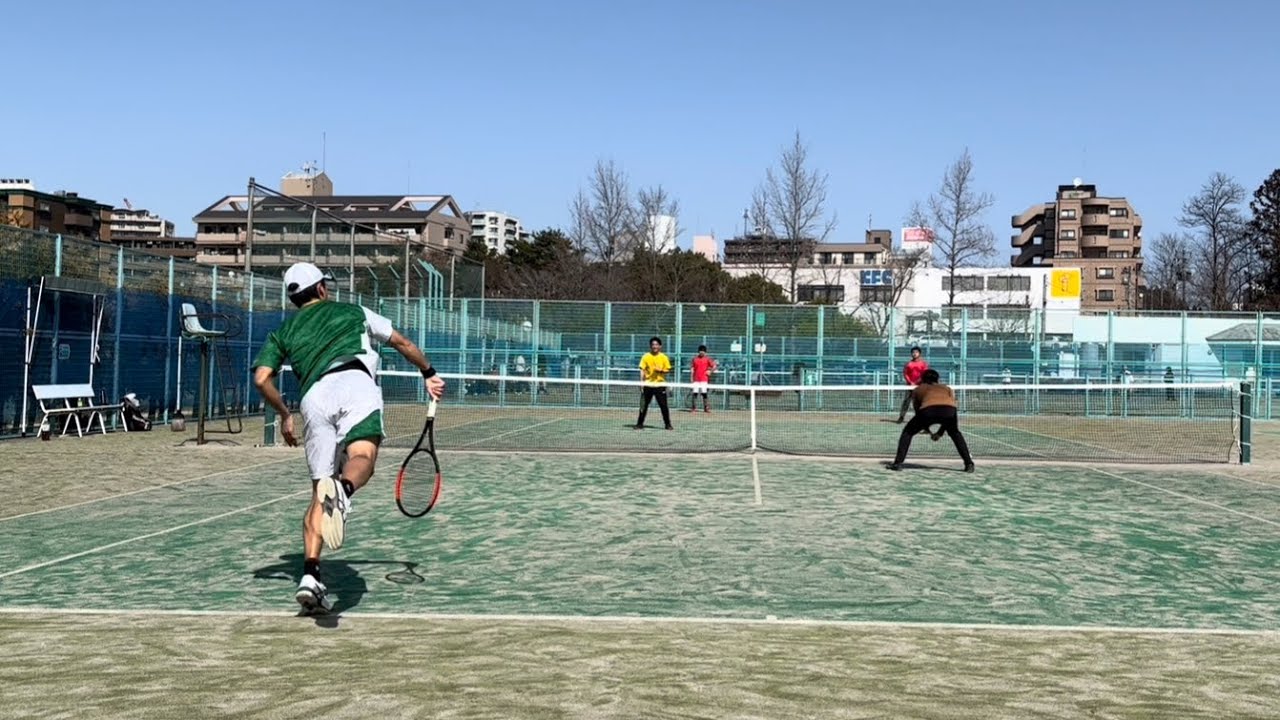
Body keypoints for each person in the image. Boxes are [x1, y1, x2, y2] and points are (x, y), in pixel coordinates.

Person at [252, 262, 445, 614]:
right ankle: (345, 490)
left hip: (314, 398)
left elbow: (262, 378)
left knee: (319, 494)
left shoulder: (283, 330)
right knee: (362, 457)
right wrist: (428, 372)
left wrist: (284, 415)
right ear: (322, 289)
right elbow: (401, 342)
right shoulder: (353, 311)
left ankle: (310, 575)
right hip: (355, 383)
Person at [889, 369, 974, 473]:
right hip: (950, 411)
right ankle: (969, 464)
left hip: (928, 411)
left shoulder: (918, 389)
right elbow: (950, 408)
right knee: (955, 433)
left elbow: (918, 411)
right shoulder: (947, 388)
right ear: (937, 379)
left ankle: (897, 463)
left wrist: (926, 427)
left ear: (923, 379)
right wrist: (939, 433)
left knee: (907, 433)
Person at [634, 336, 673, 430]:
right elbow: (642, 370)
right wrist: (641, 383)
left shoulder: (664, 357)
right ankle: (639, 424)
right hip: (648, 385)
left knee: (663, 406)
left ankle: (668, 424)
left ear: (660, 346)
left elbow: (668, 370)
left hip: (660, 385)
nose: (654, 346)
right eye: (653, 345)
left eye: (656, 344)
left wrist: (661, 370)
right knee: (643, 405)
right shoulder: (646, 357)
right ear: (650, 346)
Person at [895, 346, 928, 423]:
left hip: (920, 386)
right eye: (913, 352)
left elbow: (924, 374)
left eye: (916, 352)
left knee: (919, 402)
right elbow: (905, 374)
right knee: (906, 401)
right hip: (909, 386)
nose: (914, 354)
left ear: (919, 353)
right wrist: (910, 382)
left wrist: (917, 382)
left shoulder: (923, 364)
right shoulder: (908, 364)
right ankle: (901, 417)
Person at [688, 345, 717, 413]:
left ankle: (706, 408)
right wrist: (691, 377)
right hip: (696, 379)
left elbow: (714, 366)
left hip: (704, 379)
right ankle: (693, 408)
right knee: (695, 393)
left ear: (705, 352)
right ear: (698, 351)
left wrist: (710, 371)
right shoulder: (694, 359)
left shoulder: (707, 359)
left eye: (703, 351)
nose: (702, 352)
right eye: (700, 351)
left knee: (704, 393)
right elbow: (692, 369)